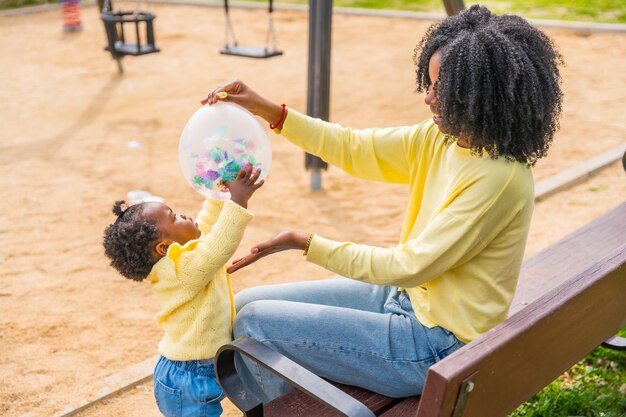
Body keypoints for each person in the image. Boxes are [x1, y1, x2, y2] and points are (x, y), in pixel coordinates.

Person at [204, 4, 563, 402]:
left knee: (255, 323)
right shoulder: (441, 138)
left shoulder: (499, 178)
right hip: (407, 302)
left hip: (437, 345)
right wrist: (268, 109)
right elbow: (354, 148)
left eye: (442, 90)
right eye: (428, 84)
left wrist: (306, 243)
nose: (428, 99)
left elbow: (408, 266)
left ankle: (292, 412)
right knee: (247, 304)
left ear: (481, 96)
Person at [102, 166, 264, 417]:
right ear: (163, 248)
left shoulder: (183, 258)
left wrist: (220, 194)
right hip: (189, 376)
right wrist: (238, 201)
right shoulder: (181, 270)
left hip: (199, 368)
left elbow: (208, 229)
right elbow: (218, 246)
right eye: (174, 216)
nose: (184, 215)